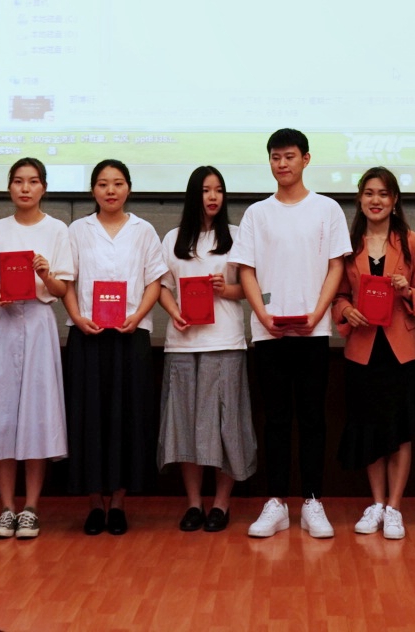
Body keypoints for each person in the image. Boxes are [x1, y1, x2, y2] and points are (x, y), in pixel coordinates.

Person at [232, 128, 352, 540]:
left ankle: (313, 501)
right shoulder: (257, 213)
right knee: (276, 419)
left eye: (289, 156)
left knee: (313, 418)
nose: (282, 164)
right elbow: (246, 270)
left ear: (306, 159)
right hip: (269, 333)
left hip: (313, 332)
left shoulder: (327, 209)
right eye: (275, 157)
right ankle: (277, 502)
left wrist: (318, 313)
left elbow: (336, 266)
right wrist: (262, 314)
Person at [0, 157, 74, 541]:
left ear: (44, 187)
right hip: (3, 325)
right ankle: (7, 507)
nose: (25, 188)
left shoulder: (57, 229)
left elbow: (61, 289)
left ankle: (31, 508)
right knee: (2, 415)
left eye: (33, 181)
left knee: (36, 415)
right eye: (18, 181)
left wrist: (45, 274)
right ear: (9, 187)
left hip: (39, 324)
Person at [62, 159, 166, 536]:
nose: (110, 190)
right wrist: (77, 316)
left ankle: (119, 503)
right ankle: (94, 503)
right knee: (88, 417)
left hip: (130, 335)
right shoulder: (78, 230)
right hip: (87, 335)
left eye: (118, 183)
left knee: (128, 417)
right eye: (103, 183)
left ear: (128, 189)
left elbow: (155, 281)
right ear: (93, 190)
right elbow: (66, 282)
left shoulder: (143, 230)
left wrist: (138, 316)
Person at [156, 166, 257, 533]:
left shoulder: (237, 236)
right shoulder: (172, 239)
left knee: (226, 425)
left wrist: (224, 289)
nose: (213, 197)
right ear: (193, 195)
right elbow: (162, 287)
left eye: (218, 190)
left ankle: (221, 503)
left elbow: (250, 288)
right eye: (205, 190)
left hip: (225, 341)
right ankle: (194, 503)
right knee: (185, 425)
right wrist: (174, 313)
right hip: (182, 345)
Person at [333, 167, 415, 540]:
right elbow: (338, 295)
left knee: (400, 431)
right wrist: (346, 310)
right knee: (369, 428)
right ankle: (376, 504)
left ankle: (394, 508)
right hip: (363, 348)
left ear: (394, 200)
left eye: (383, 194)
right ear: (360, 198)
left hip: (401, 350)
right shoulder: (347, 245)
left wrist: (407, 290)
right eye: (369, 193)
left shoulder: (412, 242)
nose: (376, 200)